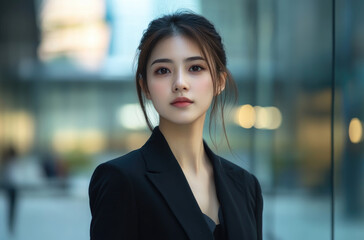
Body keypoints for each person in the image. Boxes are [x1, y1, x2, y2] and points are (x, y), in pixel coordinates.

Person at [89, 10, 263, 240]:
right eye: (163, 71)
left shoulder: (246, 187)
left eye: (195, 68)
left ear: (219, 81)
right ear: (146, 87)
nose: (180, 83)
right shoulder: (120, 180)